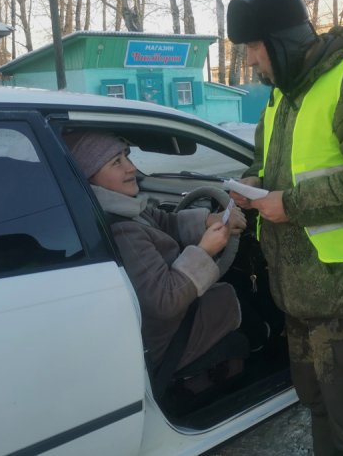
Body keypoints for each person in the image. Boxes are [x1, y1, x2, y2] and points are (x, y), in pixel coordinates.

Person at [226, 0, 343, 455]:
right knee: (319, 410)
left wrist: (289, 204)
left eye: (252, 48)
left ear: (281, 42)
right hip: (300, 297)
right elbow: (267, 165)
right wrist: (249, 188)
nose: (250, 61)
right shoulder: (282, 97)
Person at [63, 129, 247, 375]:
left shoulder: (123, 206)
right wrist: (205, 250)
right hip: (169, 337)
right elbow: (165, 301)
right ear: (91, 176)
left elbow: (164, 222)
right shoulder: (122, 231)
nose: (131, 168)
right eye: (116, 163)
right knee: (249, 312)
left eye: (126, 156)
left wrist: (209, 219)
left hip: (174, 317)